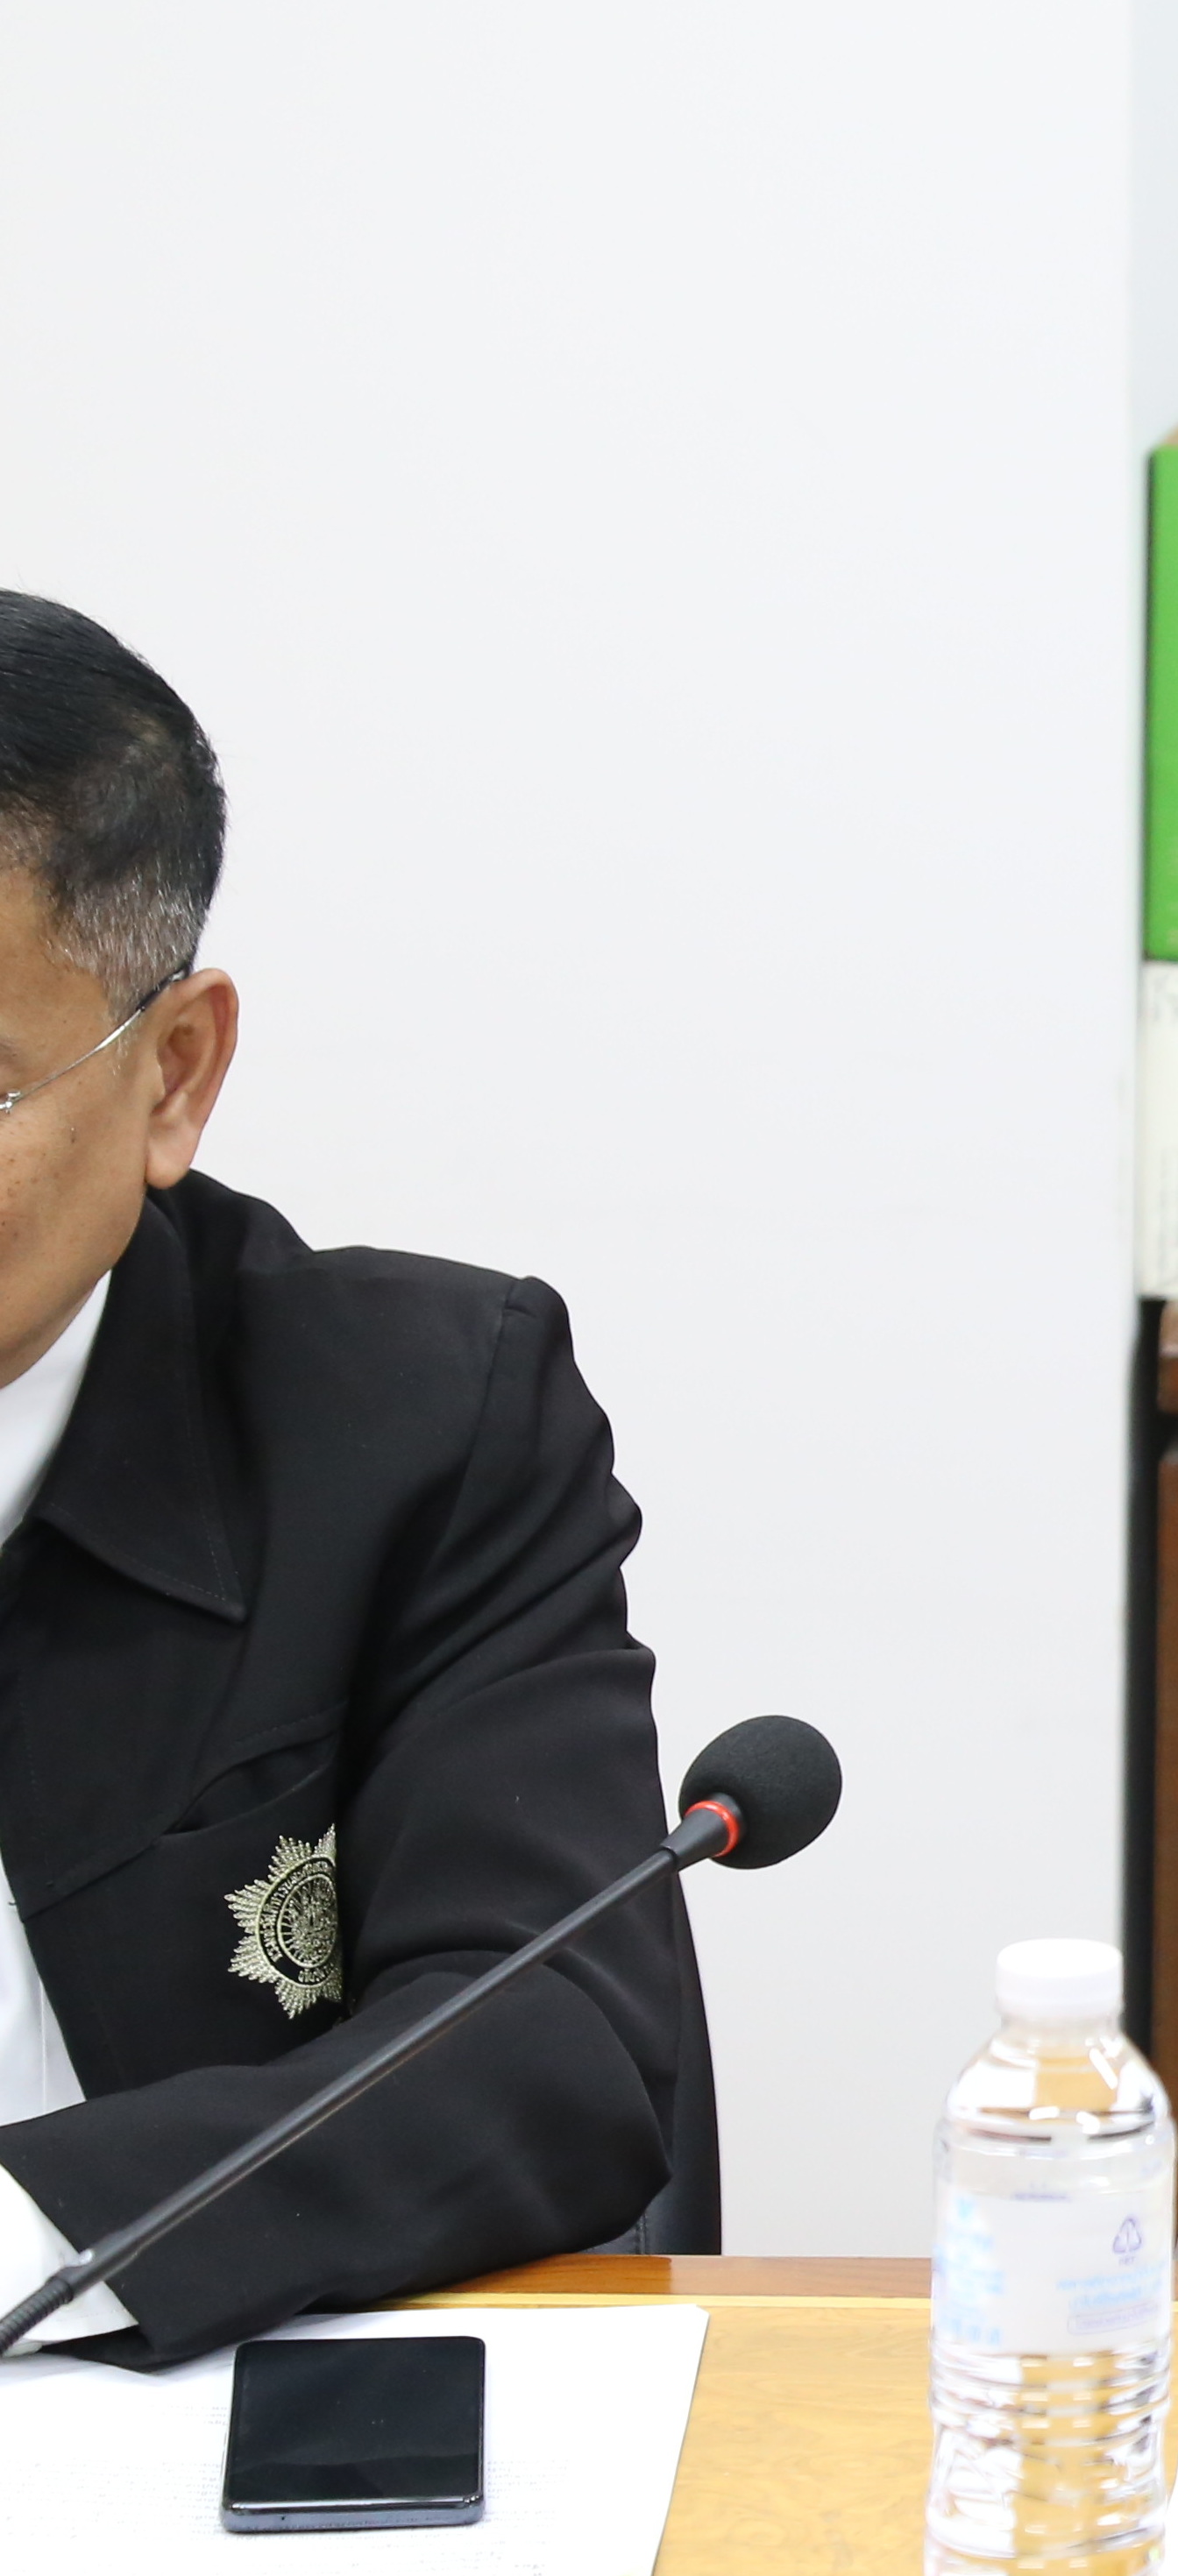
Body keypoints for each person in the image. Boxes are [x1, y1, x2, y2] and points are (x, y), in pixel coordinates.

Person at [0, 591, 685, 2367]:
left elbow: (556, 2042)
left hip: (188, 2416)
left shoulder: (416, 1423)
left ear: (173, 1072)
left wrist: (27, 2238)